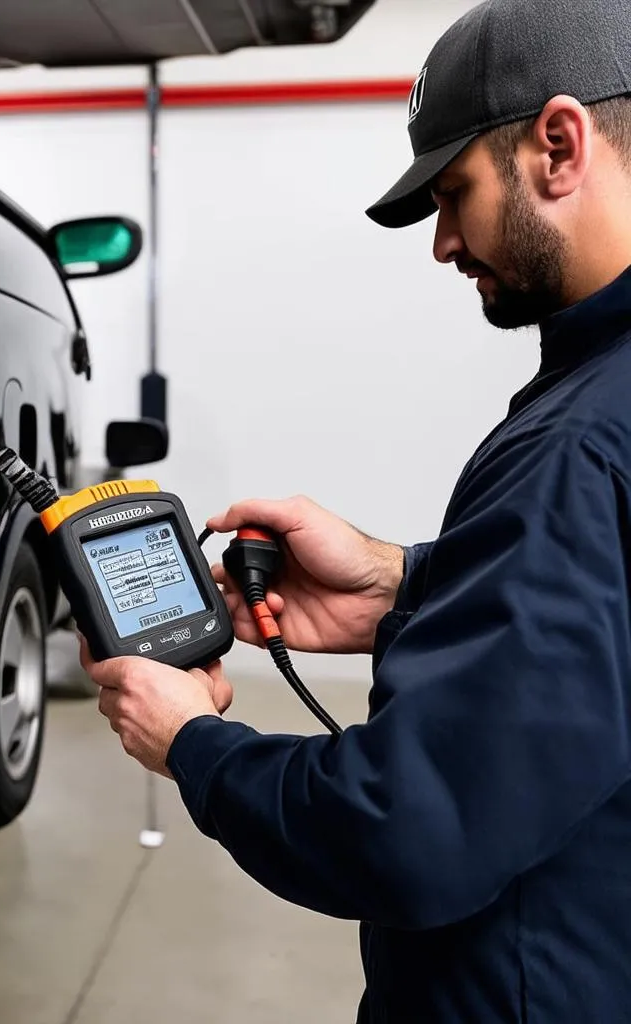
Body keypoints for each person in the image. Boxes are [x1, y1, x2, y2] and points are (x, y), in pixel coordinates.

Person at [79, 1, 631, 1020]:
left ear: (558, 145)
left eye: (453, 193)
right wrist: (402, 582)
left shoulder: (575, 448)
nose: (444, 243)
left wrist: (194, 743)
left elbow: (407, 831)